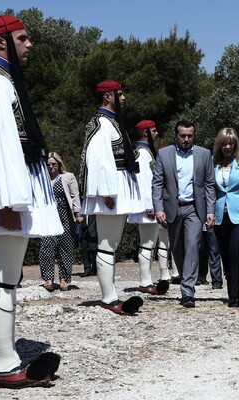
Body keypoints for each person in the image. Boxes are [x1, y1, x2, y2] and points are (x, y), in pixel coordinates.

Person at [0, 15, 62, 388]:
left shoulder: (3, 81)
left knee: (7, 277)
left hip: (11, 194)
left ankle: (6, 357)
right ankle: (4, 364)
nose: (30, 44)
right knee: (3, 279)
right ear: (2, 42)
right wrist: (5, 203)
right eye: (23, 37)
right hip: (4, 197)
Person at [79, 79, 145, 315]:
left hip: (117, 188)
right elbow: (97, 160)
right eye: (119, 93)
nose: (123, 97)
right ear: (108, 96)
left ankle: (111, 293)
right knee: (106, 246)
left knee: (111, 244)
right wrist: (106, 193)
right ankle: (109, 297)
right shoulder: (100, 123)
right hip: (109, 191)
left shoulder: (112, 123)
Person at [152, 120, 216, 308]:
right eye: (183, 135)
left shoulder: (204, 154)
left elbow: (209, 184)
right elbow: (157, 183)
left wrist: (210, 210)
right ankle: (184, 276)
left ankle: (188, 291)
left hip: (195, 209)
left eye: (190, 136)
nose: (186, 139)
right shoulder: (164, 154)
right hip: (172, 208)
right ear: (176, 136)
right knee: (177, 248)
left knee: (193, 245)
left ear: (194, 136)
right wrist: (158, 208)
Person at [127, 120, 170, 295]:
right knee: (147, 244)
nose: (156, 133)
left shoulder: (143, 152)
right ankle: (145, 281)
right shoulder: (143, 154)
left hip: (147, 205)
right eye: (153, 130)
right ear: (146, 133)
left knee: (148, 244)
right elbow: (145, 182)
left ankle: (147, 280)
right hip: (147, 205)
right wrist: (150, 206)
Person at [213, 127, 239, 307]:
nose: (227, 147)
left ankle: (234, 292)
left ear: (235, 145)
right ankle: (234, 291)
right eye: (224, 144)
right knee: (226, 256)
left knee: (238, 255)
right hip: (221, 215)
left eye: (230, 143)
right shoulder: (214, 164)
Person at [39, 152, 82, 292]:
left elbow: (75, 195)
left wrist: (78, 213)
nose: (51, 167)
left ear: (59, 164)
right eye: (48, 165)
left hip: (65, 215)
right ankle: (48, 279)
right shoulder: (42, 179)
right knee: (47, 246)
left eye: (54, 164)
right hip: (49, 216)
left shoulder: (67, 177)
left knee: (66, 247)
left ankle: (64, 279)